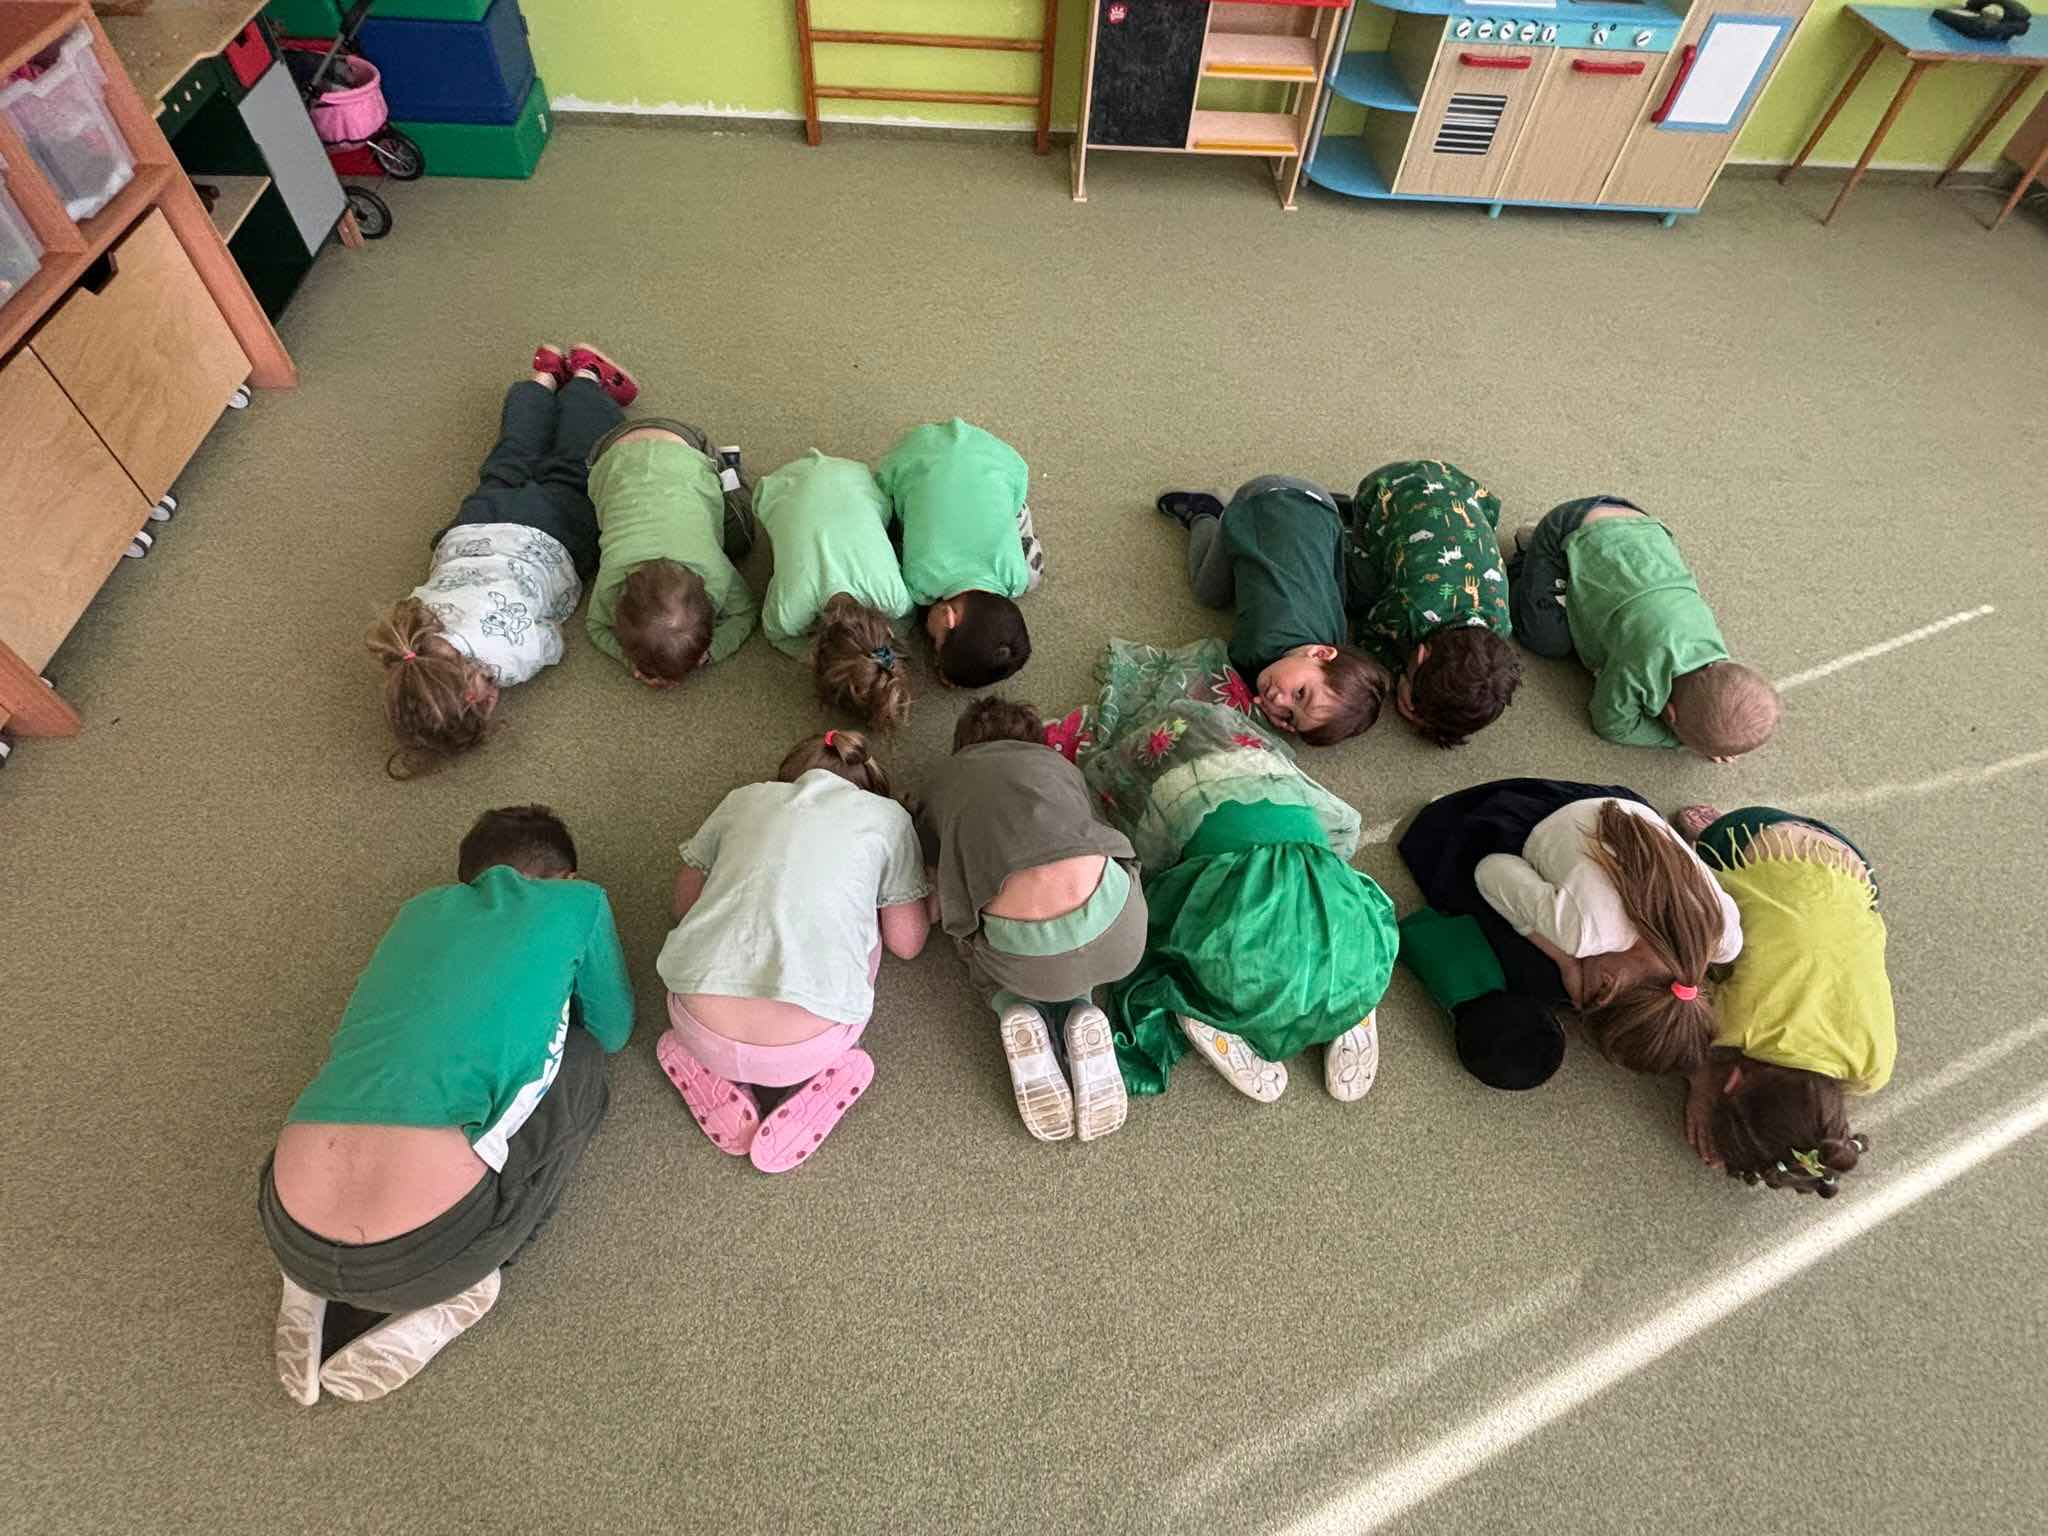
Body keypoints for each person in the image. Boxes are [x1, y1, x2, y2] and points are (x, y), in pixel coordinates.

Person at [259, 805, 633, 1405]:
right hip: (427, 1255)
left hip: (283, 1219)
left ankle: (307, 1283)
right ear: (566, 877)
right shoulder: (578, 902)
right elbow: (613, 1028)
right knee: (586, 1067)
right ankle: (462, 1287)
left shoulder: (416, 911)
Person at [1075, 639, 1396, 1103]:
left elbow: (1145, 843)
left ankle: (1233, 1011)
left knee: (1232, 954)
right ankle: (1352, 1001)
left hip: (1261, 877)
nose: (1279, 705)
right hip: (1316, 874)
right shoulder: (1262, 761)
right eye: (1296, 700)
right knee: (1344, 931)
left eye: (1292, 714)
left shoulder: (1219, 749)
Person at [655, 731, 929, 1172]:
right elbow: (907, 944)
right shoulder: (889, 819)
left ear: (785, 779)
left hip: (695, 1018)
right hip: (806, 1047)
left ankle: (707, 1064)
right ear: (872, 789)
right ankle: (819, 1075)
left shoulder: (743, 798)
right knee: (866, 932)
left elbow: (683, 906)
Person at [368, 344, 636, 776]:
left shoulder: (506, 660)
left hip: (548, 534)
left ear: (478, 696)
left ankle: (588, 378)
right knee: (511, 456)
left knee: (574, 467)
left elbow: (551, 642)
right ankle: (543, 378)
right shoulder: (413, 631)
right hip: (474, 525)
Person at [915, 696, 1147, 1144]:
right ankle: (1081, 1007)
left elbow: (926, 848)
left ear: (962, 748)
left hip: (1026, 965)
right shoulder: (1061, 767)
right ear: (1038, 743)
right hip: (1123, 938)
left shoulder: (944, 779)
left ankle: (1012, 1005)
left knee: (962, 921)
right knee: (1116, 864)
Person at [1673, 803, 1891, 1196]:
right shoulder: (1738, 1025)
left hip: (1853, 865)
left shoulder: (1872, 1070)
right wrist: (1700, 1080)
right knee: (1688, 937)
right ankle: (1706, 839)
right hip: (1744, 837)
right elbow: (1679, 998)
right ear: (1731, 1080)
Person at [1509, 497, 1780, 758]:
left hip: (1640, 526)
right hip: (1567, 528)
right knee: (1545, 639)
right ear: (1669, 715)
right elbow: (1612, 724)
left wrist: (1705, 732)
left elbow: (1724, 693)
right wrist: (1679, 741)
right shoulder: (1640, 670)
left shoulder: (1712, 650)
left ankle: (1563, 567)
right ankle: (1528, 557)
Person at [1154, 476, 1387, 745]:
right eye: (1299, 694)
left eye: (1288, 716)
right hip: (1260, 498)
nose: (1278, 700)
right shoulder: (1259, 642)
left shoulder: (1334, 641)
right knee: (1208, 593)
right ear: (1319, 654)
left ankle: (1337, 510)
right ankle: (1206, 512)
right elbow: (1224, 674)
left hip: (1321, 507)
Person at [1344, 459, 1522, 748]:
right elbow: (1368, 634)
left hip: (1465, 486)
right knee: (1357, 593)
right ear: (1420, 655)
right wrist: (1397, 675)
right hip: (1386, 487)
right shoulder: (1410, 609)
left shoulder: (1500, 624)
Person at [585, 395, 758, 686]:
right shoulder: (613, 575)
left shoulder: (714, 570)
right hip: (616, 451)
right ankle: (729, 472)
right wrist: (631, 660)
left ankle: (730, 470)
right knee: (740, 540)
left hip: (672, 445)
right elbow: (595, 627)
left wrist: (708, 653)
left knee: (742, 535)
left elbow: (746, 612)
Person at [755, 450, 916, 728]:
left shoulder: (896, 597)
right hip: (783, 486)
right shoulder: (788, 612)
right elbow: (776, 636)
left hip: (855, 476)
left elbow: (905, 620)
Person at [876, 418, 1042, 688]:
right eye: (936, 643)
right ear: (947, 617)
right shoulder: (921, 582)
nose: (932, 644)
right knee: (882, 503)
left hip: (996, 456)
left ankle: (1011, 512)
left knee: (1032, 574)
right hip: (916, 454)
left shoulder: (1016, 576)